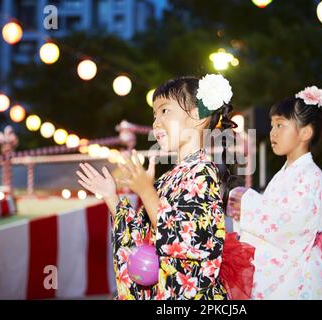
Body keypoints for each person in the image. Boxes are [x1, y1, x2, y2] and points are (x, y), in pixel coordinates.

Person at [76, 74, 237, 300]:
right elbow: (143, 239)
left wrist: (146, 191)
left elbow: (188, 240)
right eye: (154, 115)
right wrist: (111, 197)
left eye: (165, 111)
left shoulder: (202, 173)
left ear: (198, 117)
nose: (156, 122)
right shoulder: (170, 177)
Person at [227, 86, 322, 299]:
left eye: (281, 125)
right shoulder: (286, 173)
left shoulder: (311, 175)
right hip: (277, 271)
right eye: (272, 125)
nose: (273, 132)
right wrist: (243, 209)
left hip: (293, 276)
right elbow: (273, 213)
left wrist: (247, 204)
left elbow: (293, 224)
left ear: (305, 132)